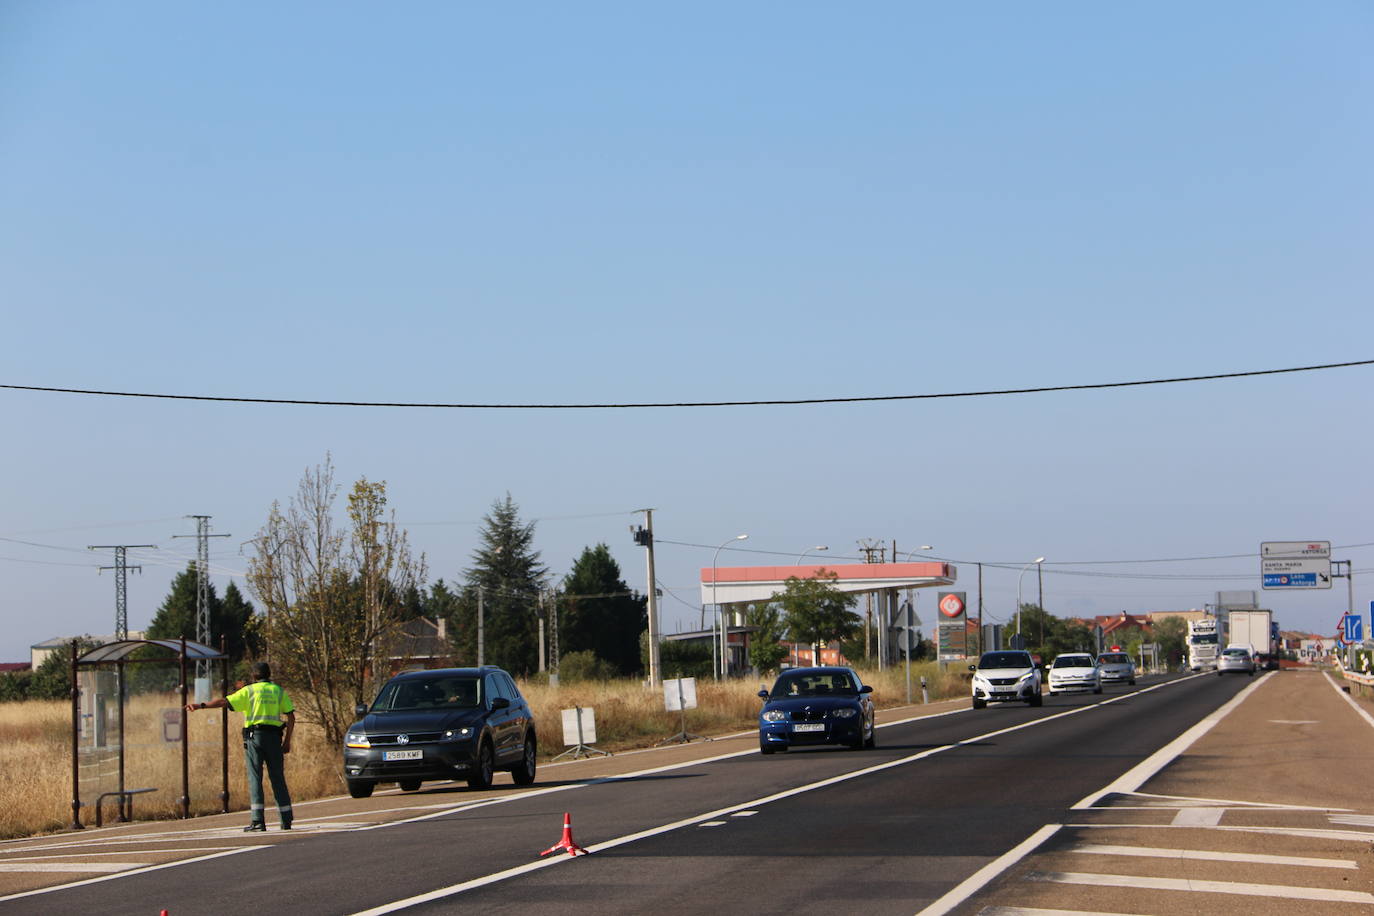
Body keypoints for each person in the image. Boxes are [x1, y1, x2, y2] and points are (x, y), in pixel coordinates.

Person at [187, 661, 295, 831]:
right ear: (269, 674)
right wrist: (287, 741)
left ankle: (258, 820)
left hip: (254, 737)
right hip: (274, 738)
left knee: (255, 778)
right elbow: (290, 716)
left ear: (254, 676)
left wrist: (200, 706)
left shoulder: (249, 691)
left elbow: (224, 702)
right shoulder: (278, 691)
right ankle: (286, 819)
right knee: (278, 778)